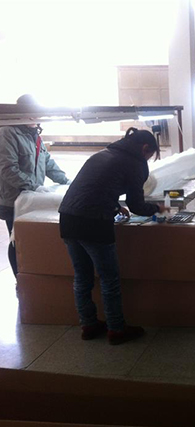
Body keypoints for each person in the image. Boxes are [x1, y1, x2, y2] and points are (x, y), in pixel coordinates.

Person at [59, 127, 167, 345]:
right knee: (109, 279)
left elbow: (95, 187)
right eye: (150, 155)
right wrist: (158, 208)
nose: (148, 159)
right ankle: (116, 329)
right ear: (145, 148)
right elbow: (137, 205)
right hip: (94, 222)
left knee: (82, 277)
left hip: (68, 218)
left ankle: (88, 325)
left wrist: (116, 206)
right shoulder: (135, 163)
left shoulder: (103, 154)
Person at [0, 94, 70, 277]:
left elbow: (47, 162)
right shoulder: (7, 133)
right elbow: (8, 169)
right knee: (16, 240)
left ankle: (30, 275)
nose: (37, 117)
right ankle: (20, 280)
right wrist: (34, 186)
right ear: (22, 113)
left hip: (32, 199)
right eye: (33, 113)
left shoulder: (34, 134)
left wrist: (67, 181)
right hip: (14, 200)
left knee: (29, 239)